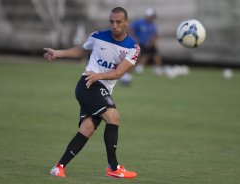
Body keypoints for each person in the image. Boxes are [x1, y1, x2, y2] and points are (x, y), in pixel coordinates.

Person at [43, 7, 140, 179]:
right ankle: (113, 167)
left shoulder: (133, 47)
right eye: (111, 21)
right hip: (88, 84)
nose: (114, 25)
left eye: (118, 22)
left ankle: (58, 167)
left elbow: (119, 73)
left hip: (98, 84)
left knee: (87, 128)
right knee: (114, 117)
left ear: (126, 22)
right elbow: (81, 50)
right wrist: (57, 53)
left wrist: (99, 76)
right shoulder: (97, 36)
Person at [129, 8, 163, 76]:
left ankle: (159, 69)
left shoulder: (152, 25)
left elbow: (155, 34)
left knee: (155, 54)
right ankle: (135, 69)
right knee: (141, 55)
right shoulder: (139, 22)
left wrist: (152, 42)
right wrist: (134, 38)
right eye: (151, 16)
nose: (152, 18)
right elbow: (130, 29)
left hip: (149, 44)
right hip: (139, 43)